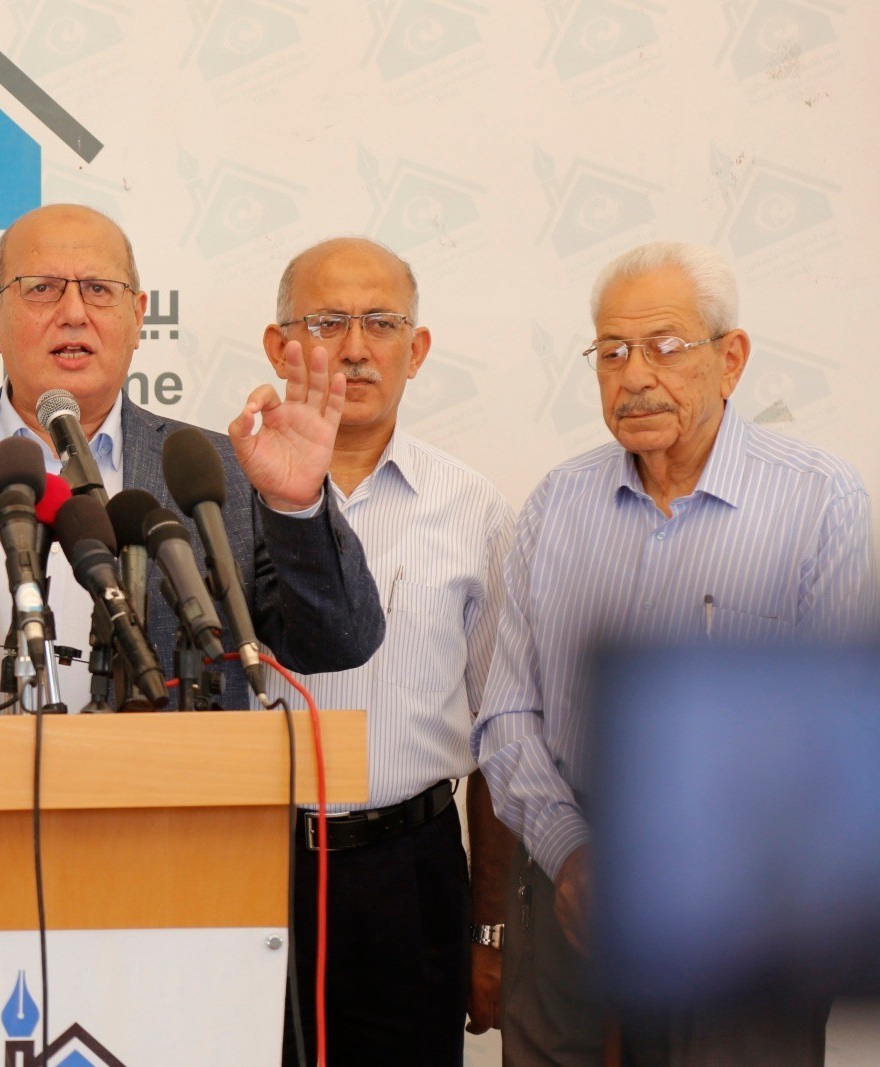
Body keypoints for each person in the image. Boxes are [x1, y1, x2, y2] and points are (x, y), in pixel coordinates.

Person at [472, 240, 877, 1065]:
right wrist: (571, 852)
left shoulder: (819, 499)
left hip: (747, 904)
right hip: (567, 881)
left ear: (731, 359)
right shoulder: (556, 505)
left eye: (664, 346)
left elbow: (834, 737)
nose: (634, 376)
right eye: (611, 352)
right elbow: (507, 715)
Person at [0, 203, 385, 716]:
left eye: (99, 289)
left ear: (138, 317)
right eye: (41, 288)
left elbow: (339, 644)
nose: (74, 312)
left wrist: (297, 506)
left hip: (170, 809)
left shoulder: (216, 471)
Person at [261, 238, 519, 1064]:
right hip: (249, 864)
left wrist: (490, 928)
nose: (354, 347)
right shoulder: (222, 494)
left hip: (410, 872)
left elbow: (501, 737)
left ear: (418, 348)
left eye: (381, 322)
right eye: (326, 322)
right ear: (279, 345)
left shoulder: (473, 508)